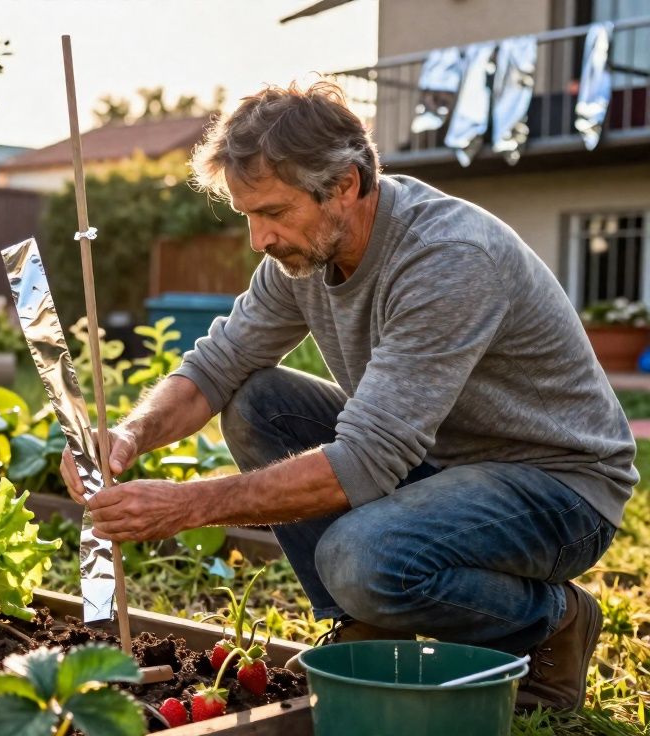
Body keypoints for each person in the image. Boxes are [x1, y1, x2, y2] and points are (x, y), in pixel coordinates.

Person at [61, 81, 636, 710]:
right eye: (247, 215)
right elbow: (218, 366)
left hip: (558, 487)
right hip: (444, 461)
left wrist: (186, 505)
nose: (259, 238)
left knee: (360, 558)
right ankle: (366, 623)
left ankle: (551, 621)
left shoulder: (447, 258)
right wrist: (130, 434)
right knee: (258, 400)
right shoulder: (301, 257)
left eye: (274, 212)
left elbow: (365, 460)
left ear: (345, 185)